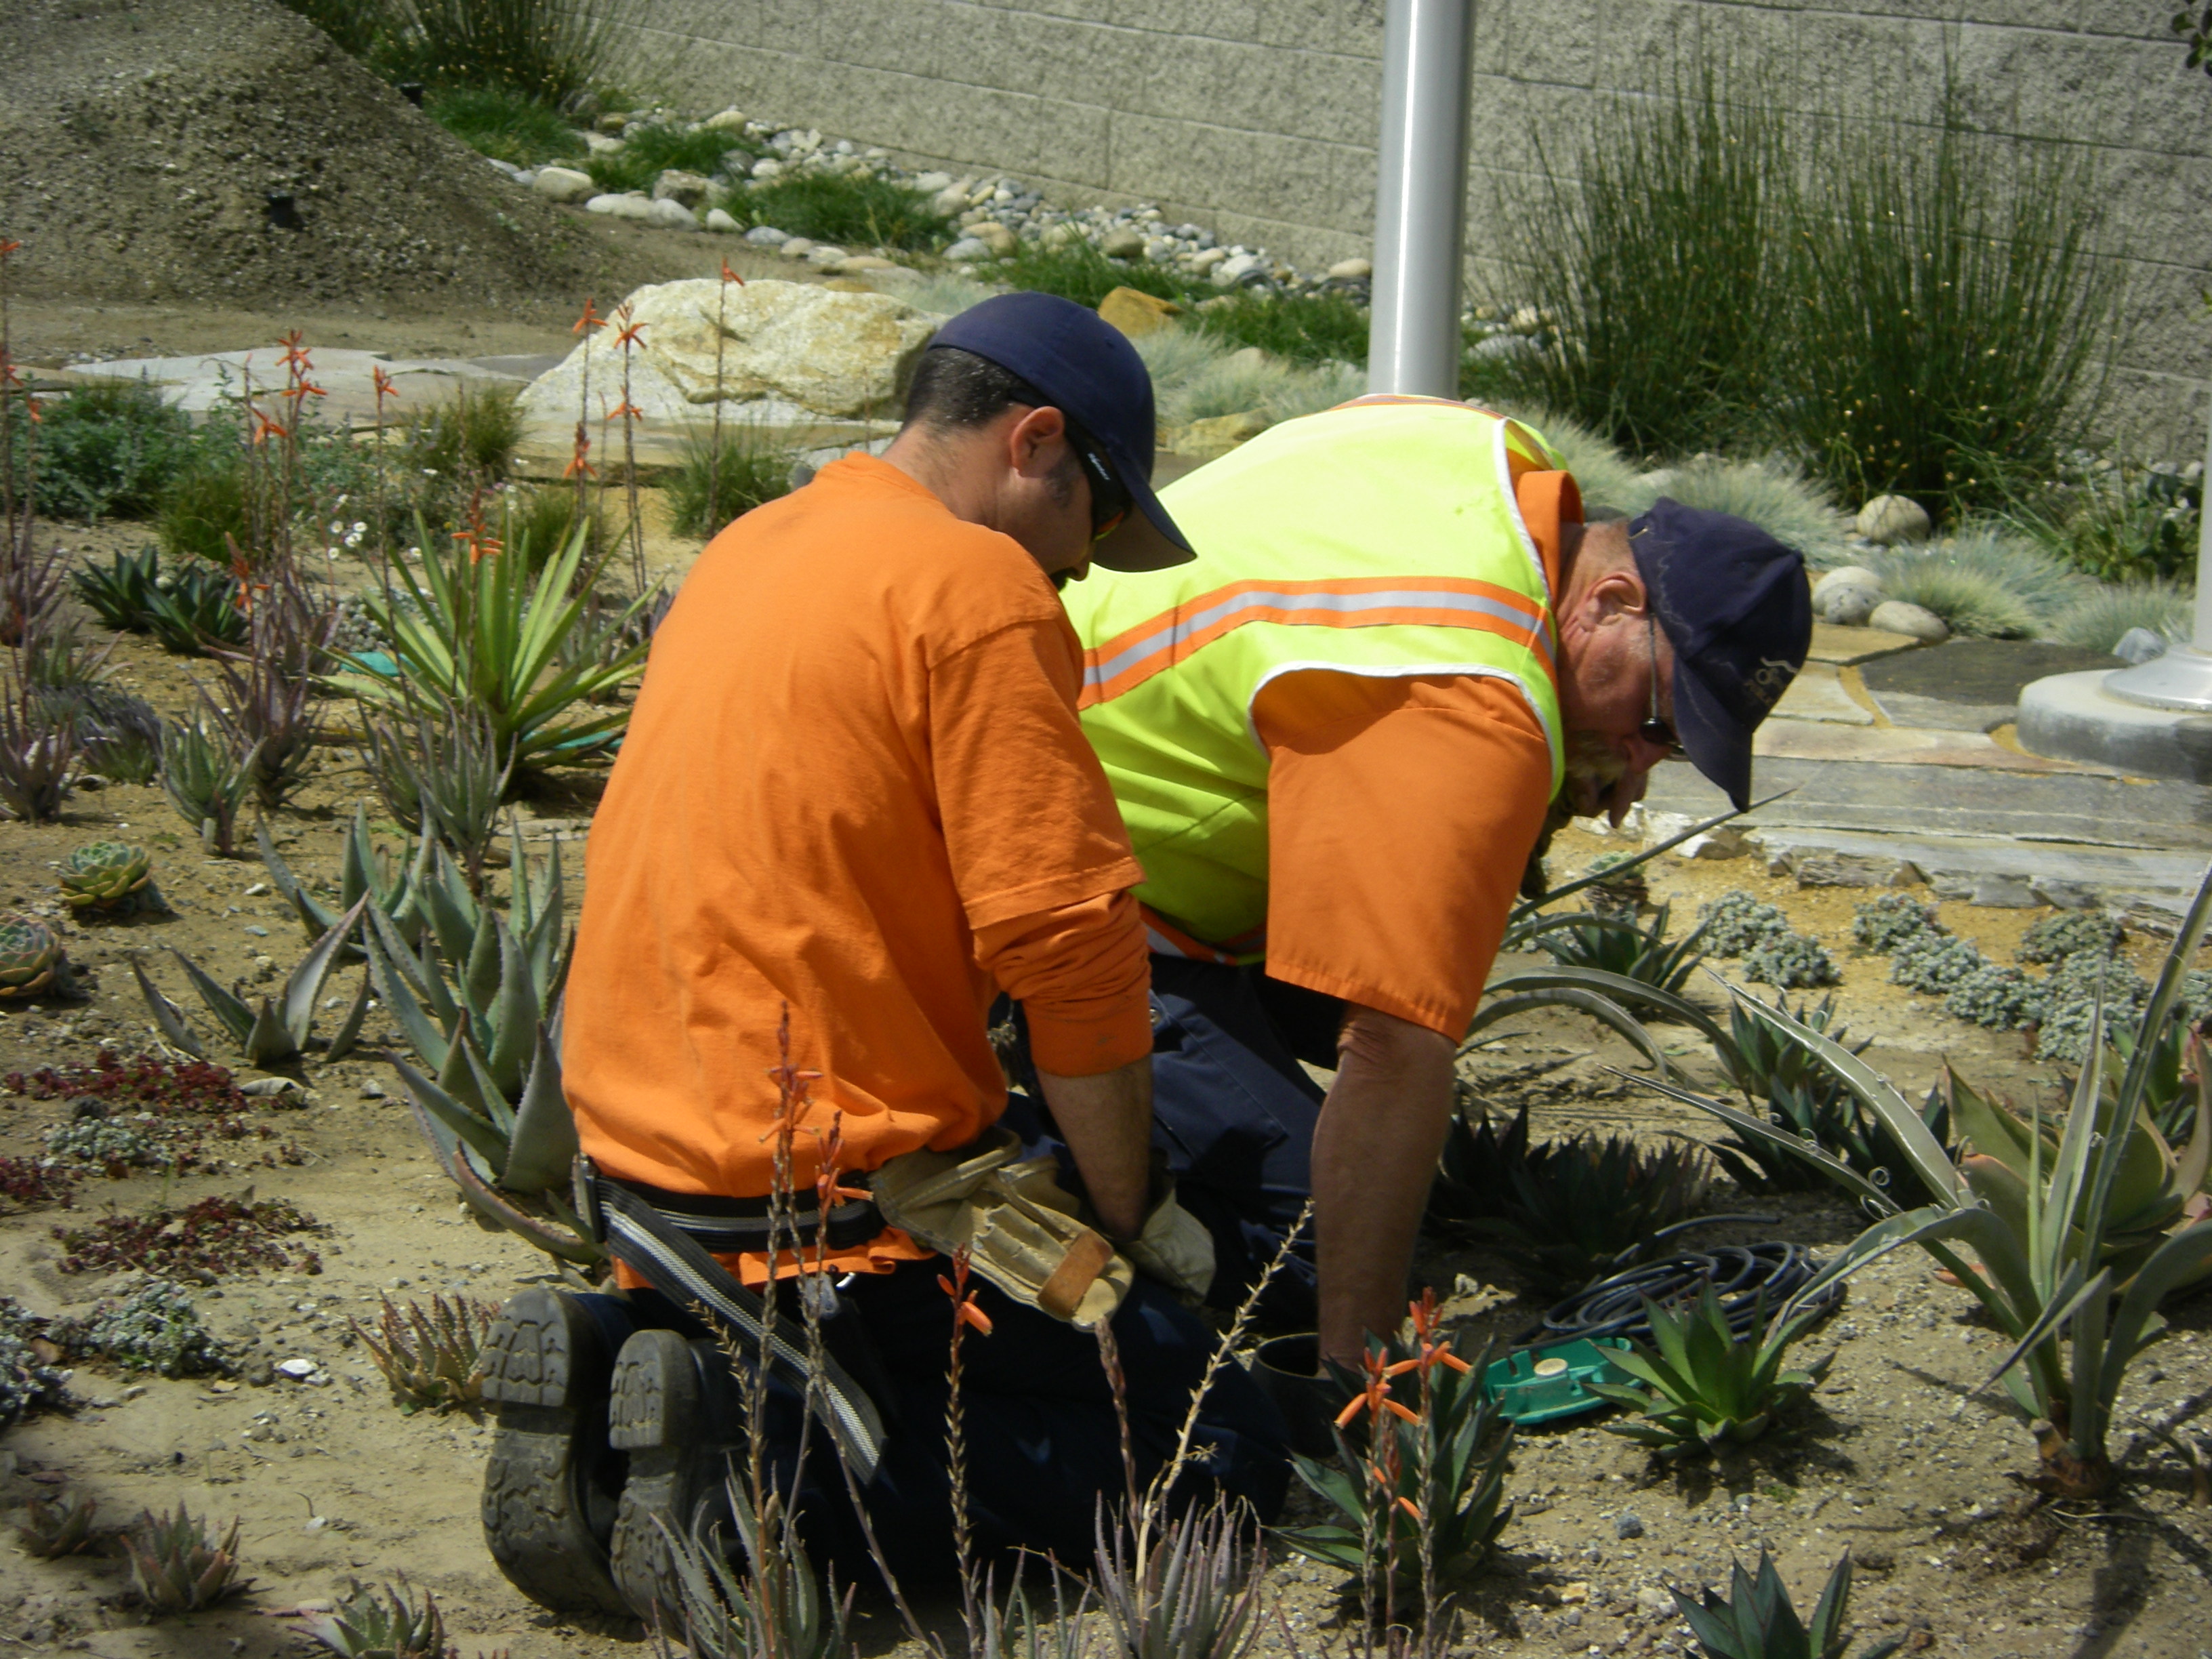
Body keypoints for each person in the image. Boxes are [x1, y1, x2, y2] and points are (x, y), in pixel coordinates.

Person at [474, 293, 1287, 1620]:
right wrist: (1132, 1215)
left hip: (644, 1186)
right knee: (1218, 1445)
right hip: (855, 1209)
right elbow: (1072, 952)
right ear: (1035, 443)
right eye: (1093, 526)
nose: (1077, 572)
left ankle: (643, 1355)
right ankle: (766, 1476)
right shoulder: (978, 591)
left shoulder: (753, 544)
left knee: (1098, 1320)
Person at [1043, 393, 1813, 1367]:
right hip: (1060, 901)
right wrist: (1360, 1375)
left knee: (1401, 995)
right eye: (1657, 723)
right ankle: (1027, 1103)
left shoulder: (1482, 451)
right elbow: (1393, 1051)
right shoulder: (1471, 688)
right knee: (1320, 1251)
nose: (1635, 772)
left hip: (1081, 738)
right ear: (1611, 601)